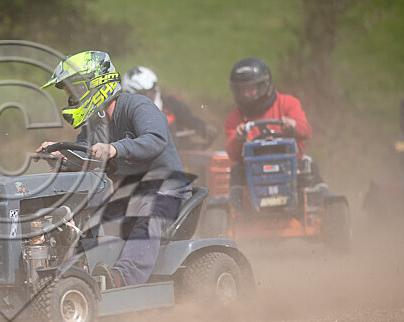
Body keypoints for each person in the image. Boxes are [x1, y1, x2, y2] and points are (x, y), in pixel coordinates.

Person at [35, 51, 191, 288]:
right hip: (127, 197)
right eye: (68, 93)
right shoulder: (94, 126)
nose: (71, 98)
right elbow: (85, 159)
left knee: (149, 212)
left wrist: (114, 149)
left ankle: (121, 279)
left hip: (167, 193)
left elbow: (155, 140)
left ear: (97, 83)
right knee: (77, 216)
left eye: (74, 91)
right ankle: (62, 277)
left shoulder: (138, 106)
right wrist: (61, 157)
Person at [223, 57, 316, 209]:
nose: (246, 94)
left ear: (263, 86)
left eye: (251, 89)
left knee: (310, 167)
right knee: (236, 172)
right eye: (242, 90)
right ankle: (238, 215)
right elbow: (232, 154)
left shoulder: (288, 103)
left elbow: (307, 131)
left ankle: (311, 209)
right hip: (252, 171)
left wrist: (293, 127)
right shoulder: (235, 118)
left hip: (290, 165)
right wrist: (239, 138)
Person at [122, 66, 217, 150]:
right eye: (143, 94)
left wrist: (204, 128)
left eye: (151, 92)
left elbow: (188, 119)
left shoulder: (172, 104)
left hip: (178, 156)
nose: (149, 96)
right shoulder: (124, 116)